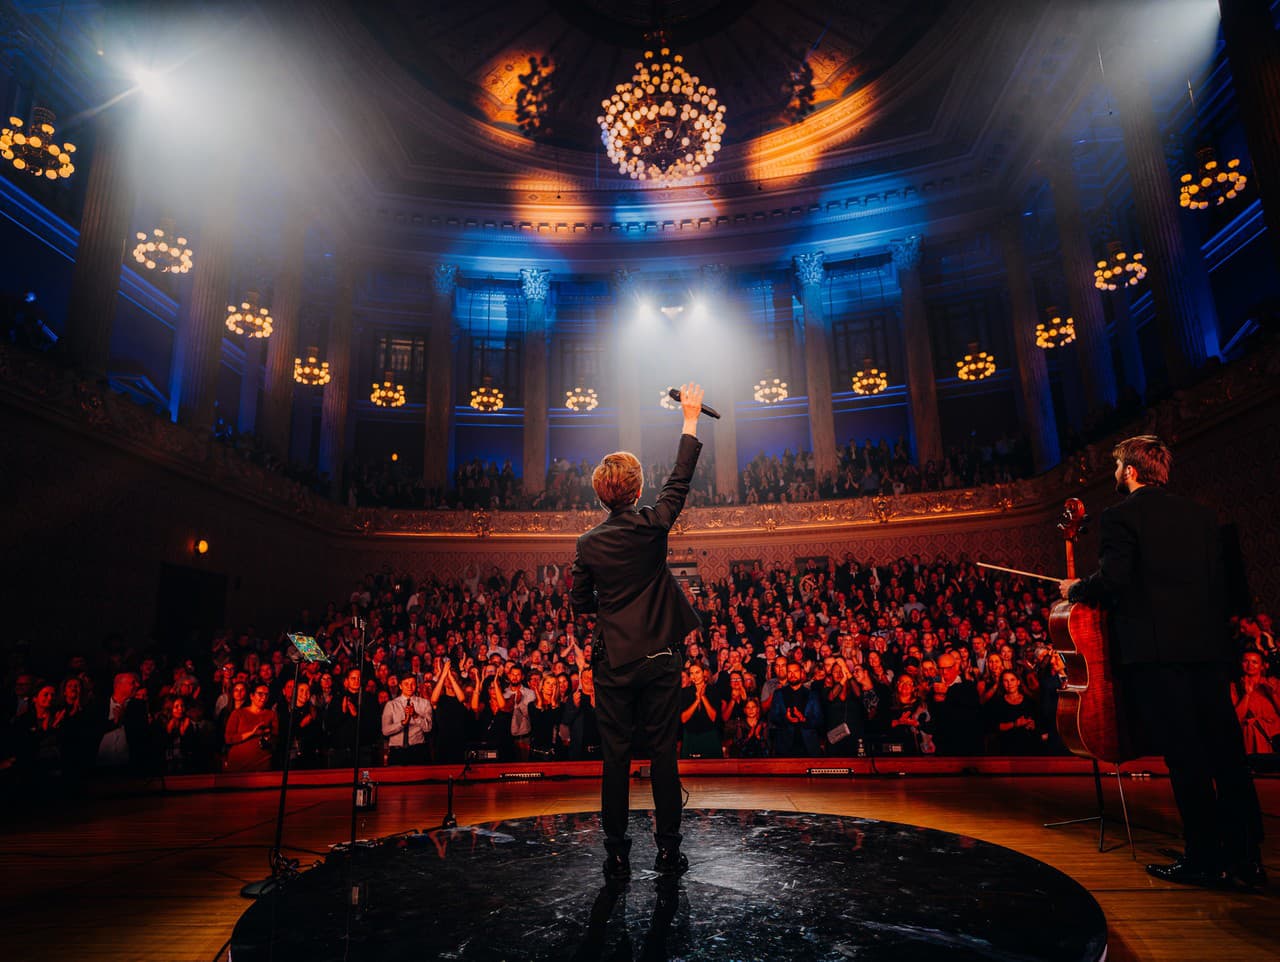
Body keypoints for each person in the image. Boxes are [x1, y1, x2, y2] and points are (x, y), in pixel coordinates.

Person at [1060, 435, 1263, 889]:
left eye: (1116, 467)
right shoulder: (1201, 515)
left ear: (1130, 471)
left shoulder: (1119, 517)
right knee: (1228, 756)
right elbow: (1220, 586)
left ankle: (1204, 858)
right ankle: (1247, 858)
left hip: (1157, 656)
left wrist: (1076, 590)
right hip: (1208, 652)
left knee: (1186, 757)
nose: (1115, 474)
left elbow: (1115, 580)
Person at [570, 381, 706, 880]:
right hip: (660, 660)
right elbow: (680, 482)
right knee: (664, 756)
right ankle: (668, 851)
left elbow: (581, 604)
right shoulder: (652, 525)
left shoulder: (587, 545)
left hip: (615, 664)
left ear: (601, 494)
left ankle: (616, 853)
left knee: (615, 760)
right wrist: (689, 416)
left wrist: (611, 600)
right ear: (636, 488)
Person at [381, 676, 432, 765]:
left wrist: (415, 716)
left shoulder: (424, 703)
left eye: (412, 684)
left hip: (418, 750)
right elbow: (385, 731)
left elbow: (428, 728)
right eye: (406, 684)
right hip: (397, 752)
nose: (409, 686)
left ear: (416, 685)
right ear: (400, 686)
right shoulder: (391, 704)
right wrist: (402, 723)